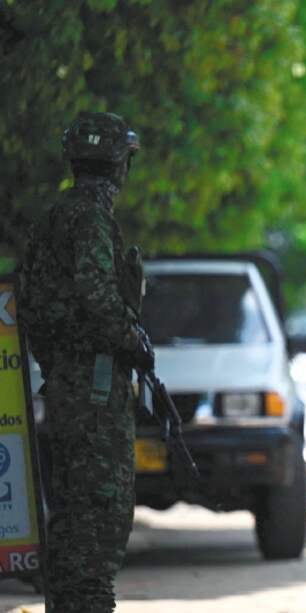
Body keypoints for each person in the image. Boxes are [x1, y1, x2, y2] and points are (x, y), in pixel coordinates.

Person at [17, 112, 153, 612]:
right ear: (120, 165)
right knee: (101, 513)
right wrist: (130, 336)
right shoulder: (90, 217)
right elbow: (96, 295)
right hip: (91, 387)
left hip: (68, 381)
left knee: (77, 510)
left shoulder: (56, 216)